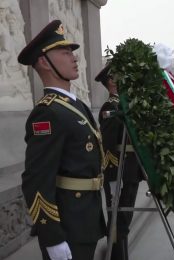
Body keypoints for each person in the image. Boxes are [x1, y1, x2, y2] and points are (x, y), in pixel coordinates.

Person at [18, 20, 106, 260]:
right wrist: (52, 238)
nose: (74, 58)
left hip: (85, 218)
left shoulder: (75, 105)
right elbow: (36, 180)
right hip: (68, 225)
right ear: (45, 62)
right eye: (65, 53)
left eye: (72, 53)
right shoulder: (47, 113)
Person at [96, 64, 145, 260]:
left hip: (130, 170)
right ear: (111, 81)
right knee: (117, 222)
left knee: (124, 220)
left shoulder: (124, 105)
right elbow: (107, 146)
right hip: (120, 172)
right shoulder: (111, 107)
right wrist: (116, 174)